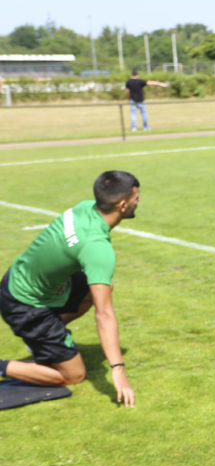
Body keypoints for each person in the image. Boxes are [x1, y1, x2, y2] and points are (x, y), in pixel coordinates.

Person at [0, 171, 139, 406]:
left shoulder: (84, 207)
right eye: (137, 198)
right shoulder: (97, 248)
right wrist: (118, 368)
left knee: (99, 287)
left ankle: (47, 340)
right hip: (23, 304)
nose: (139, 201)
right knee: (73, 376)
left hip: (17, 279)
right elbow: (104, 315)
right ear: (122, 204)